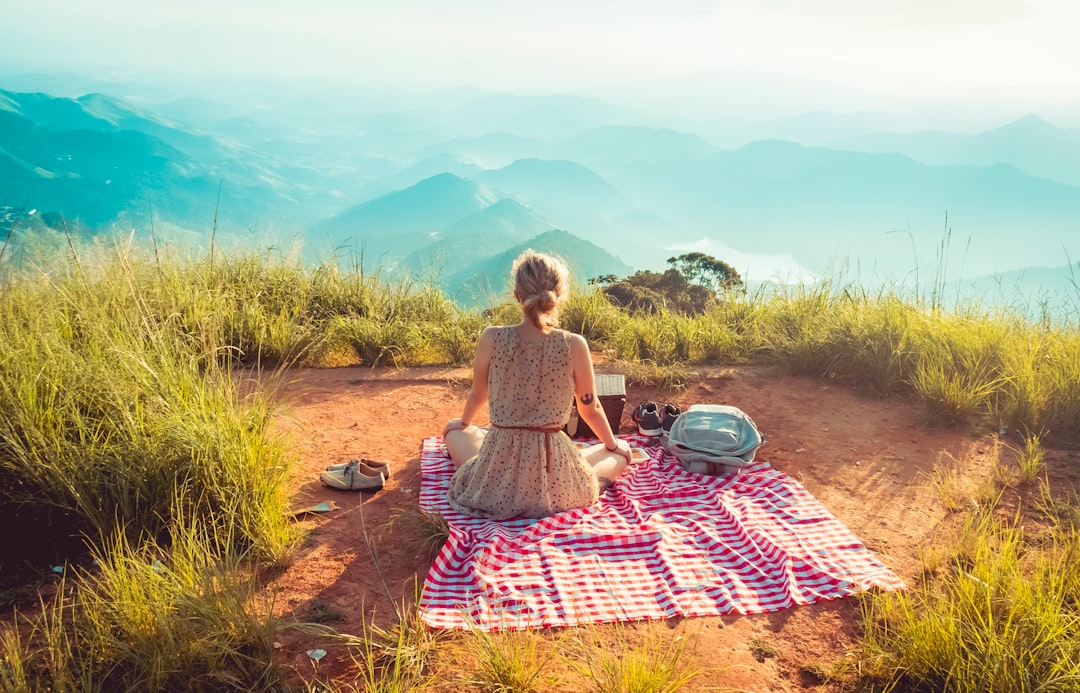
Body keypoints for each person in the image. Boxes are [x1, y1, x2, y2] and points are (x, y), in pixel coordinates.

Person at [442, 250, 633, 520]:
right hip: (553, 469)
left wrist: (463, 422)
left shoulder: (491, 338)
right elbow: (590, 409)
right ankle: (606, 460)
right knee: (618, 453)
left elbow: (478, 393)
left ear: (517, 296)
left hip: (499, 466)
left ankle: (478, 443)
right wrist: (614, 444)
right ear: (558, 296)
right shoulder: (574, 344)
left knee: (455, 433)